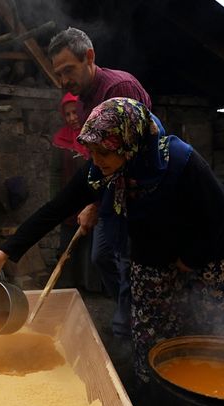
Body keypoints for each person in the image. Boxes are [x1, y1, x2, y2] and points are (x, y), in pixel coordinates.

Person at [0, 98, 224, 384]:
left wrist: (189, 260)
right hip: (153, 251)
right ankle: (156, 394)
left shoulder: (181, 163)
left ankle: (216, 394)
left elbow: (219, 217)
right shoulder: (100, 171)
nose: (95, 160)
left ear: (128, 143)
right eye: (91, 151)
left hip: (206, 250)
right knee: (152, 332)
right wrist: (5, 252)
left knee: (209, 334)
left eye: (102, 152)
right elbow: (56, 209)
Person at [48, 27, 153, 344]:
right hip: (108, 189)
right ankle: (127, 308)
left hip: (136, 192)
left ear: (89, 57)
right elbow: (96, 159)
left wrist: (94, 202)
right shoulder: (83, 100)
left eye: (69, 70)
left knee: (126, 258)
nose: (64, 81)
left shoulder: (120, 88)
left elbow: (129, 157)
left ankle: (134, 325)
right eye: (59, 74)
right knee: (101, 256)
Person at [51, 92, 101, 292]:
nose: (72, 118)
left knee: (90, 246)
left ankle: (91, 286)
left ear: (83, 111)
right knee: (67, 244)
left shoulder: (94, 137)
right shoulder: (60, 140)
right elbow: (54, 174)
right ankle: (67, 285)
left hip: (91, 200)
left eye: (75, 112)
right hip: (68, 200)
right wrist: (56, 201)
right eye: (67, 114)